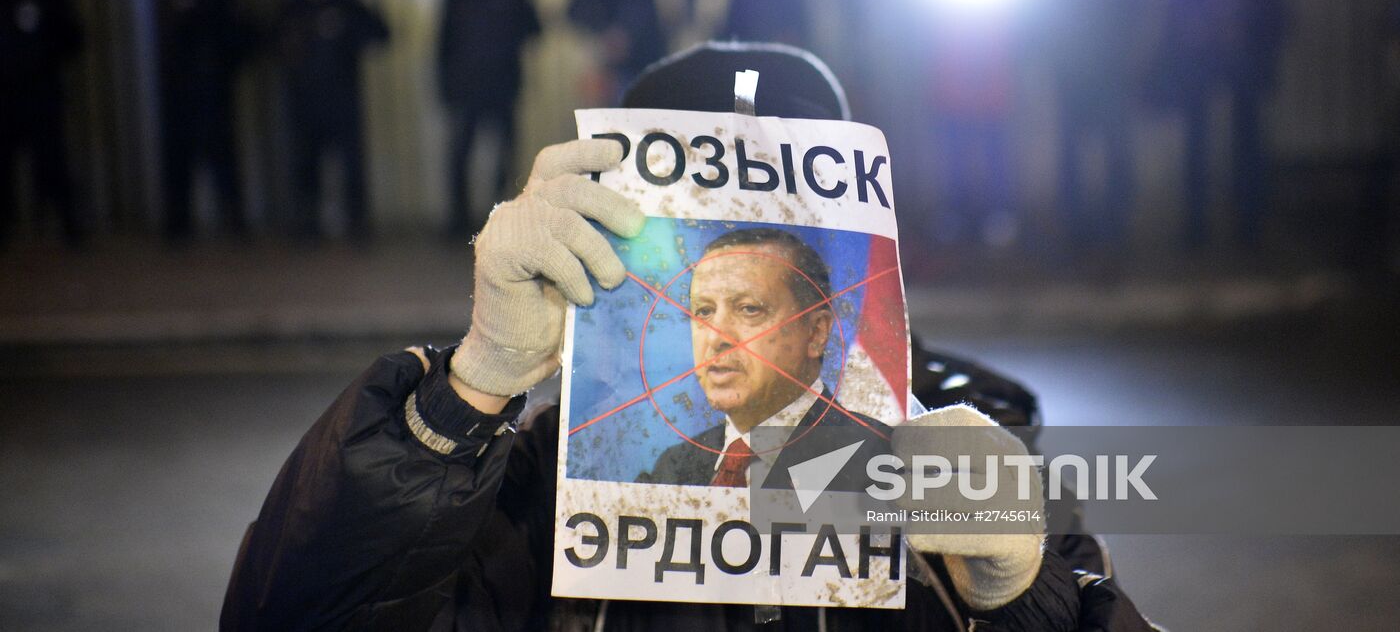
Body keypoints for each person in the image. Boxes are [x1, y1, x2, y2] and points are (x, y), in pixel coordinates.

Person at [223, 43, 1155, 631]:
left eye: (751, 307)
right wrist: (467, 392)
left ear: (827, 309)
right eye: (702, 306)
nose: (718, 339)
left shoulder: (976, 454)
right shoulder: (548, 477)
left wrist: (1022, 595)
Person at [636, 226, 891, 490]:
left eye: (749, 309)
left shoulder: (881, 463)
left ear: (816, 333)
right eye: (703, 312)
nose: (715, 339)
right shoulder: (673, 469)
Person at [1157, 0, 1289, 247]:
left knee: (1247, 145)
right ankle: (1195, 226)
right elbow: (1177, 8)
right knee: (1198, 143)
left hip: (1245, 60)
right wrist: (1187, 44)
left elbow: (1276, 9)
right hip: (1201, 60)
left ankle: (1248, 226)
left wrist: (1262, 49)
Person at [1032, 0, 1144, 248]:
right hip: (1079, 68)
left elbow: (1131, 1)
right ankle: (1087, 224)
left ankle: (1105, 223)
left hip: (1100, 67)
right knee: (1082, 149)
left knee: (1102, 146)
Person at [278, 0, 390, 241]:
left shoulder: (347, 3)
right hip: (304, 102)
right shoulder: (294, 7)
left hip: (343, 101)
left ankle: (357, 225)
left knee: (352, 168)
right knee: (305, 167)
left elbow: (380, 34)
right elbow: (273, 44)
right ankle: (307, 227)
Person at [154, 0, 255, 241]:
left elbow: (237, 36)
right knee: (176, 159)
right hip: (175, 90)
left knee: (221, 157)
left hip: (210, 89)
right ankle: (178, 226)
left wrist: (217, 70)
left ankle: (234, 222)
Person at [437, 0, 541, 237]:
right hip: (468, 91)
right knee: (460, 156)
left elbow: (534, 30)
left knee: (505, 158)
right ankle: (459, 222)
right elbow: (443, 49)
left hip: (502, 88)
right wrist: (445, 90)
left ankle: (503, 218)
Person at [0, 0, 83, 245]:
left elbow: (72, 38)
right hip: (4, 99)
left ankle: (69, 226)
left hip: (41, 96)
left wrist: (42, 55)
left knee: (52, 164)